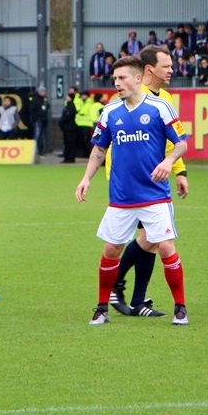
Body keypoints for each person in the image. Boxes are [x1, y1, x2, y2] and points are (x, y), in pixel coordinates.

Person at [75, 54, 189, 326]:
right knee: (111, 250)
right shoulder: (110, 112)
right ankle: (102, 308)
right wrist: (86, 178)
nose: (117, 83)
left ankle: (180, 308)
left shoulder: (161, 107)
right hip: (121, 197)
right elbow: (99, 149)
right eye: (115, 78)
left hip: (155, 195)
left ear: (138, 78)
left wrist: (169, 161)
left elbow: (182, 143)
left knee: (165, 247)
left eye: (122, 77)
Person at [28, 86, 50, 155]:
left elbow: (48, 106)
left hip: (43, 120)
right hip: (38, 121)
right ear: (40, 92)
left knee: (41, 135)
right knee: (37, 135)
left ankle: (40, 149)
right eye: (43, 92)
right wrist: (36, 118)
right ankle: (35, 150)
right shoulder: (35, 100)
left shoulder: (44, 99)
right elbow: (31, 110)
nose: (45, 93)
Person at [58, 90, 78, 163]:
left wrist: (60, 122)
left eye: (68, 96)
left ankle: (70, 158)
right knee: (67, 143)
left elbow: (67, 116)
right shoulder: (68, 105)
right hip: (67, 128)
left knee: (70, 143)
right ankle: (67, 157)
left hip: (70, 128)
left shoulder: (71, 106)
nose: (66, 97)